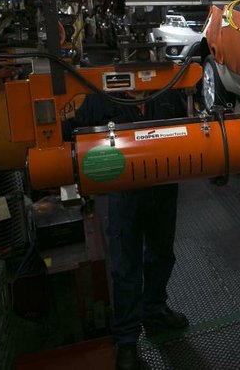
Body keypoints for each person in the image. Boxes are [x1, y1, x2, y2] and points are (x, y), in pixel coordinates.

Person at [64, 89, 190, 369]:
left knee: (161, 254)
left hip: (164, 187)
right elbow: (71, 133)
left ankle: (154, 309)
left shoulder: (167, 89)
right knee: (126, 268)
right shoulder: (101, 96)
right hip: (124, 195)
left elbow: (187, 129)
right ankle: (127, 340)